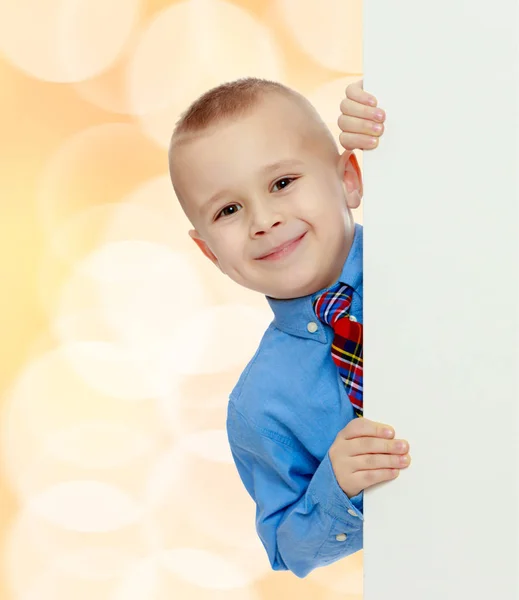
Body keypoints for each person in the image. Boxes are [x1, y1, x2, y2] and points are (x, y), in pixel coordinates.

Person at [168, 78, 411, 578]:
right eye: (228, 210)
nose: (264, 220)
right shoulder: (259, 405)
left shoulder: (425, 244)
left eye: (282, 183)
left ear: (349, 178)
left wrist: (398, 112)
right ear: (210, 251)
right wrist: (337, 487)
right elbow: (288, 548)